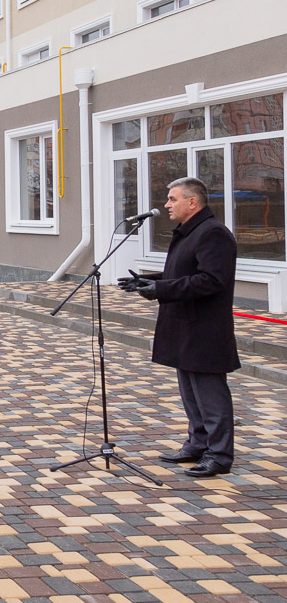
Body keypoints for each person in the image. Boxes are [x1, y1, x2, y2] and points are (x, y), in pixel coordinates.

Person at [117, 177, 239, 478]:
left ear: (192, 202)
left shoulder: (213, 233)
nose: (166, 205)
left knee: (210, 395)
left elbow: (212, 280)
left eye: (173, 199)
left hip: (205, 329)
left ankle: (219, 455)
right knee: (190, 393)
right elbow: (181, 272)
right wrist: (148, 281)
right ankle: (198, 444)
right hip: (185, 326)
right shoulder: (190, 232)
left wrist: (161, 289)